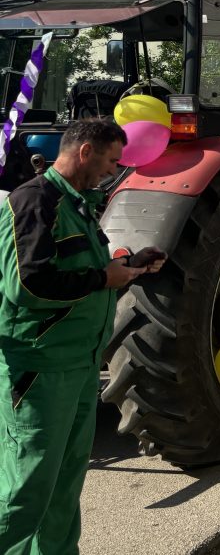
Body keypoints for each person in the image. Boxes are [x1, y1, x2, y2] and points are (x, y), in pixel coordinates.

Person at [0, 119, 166, 554]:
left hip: (80, 366)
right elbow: (28, 285)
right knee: (25, 490)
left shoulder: (78, 205)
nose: (114, 172)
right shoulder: (35, 202)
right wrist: (101, 278)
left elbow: (88, 277)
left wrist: (131, 267)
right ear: (86, 151)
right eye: (112, 161)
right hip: (41, 370)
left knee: (65, 488)